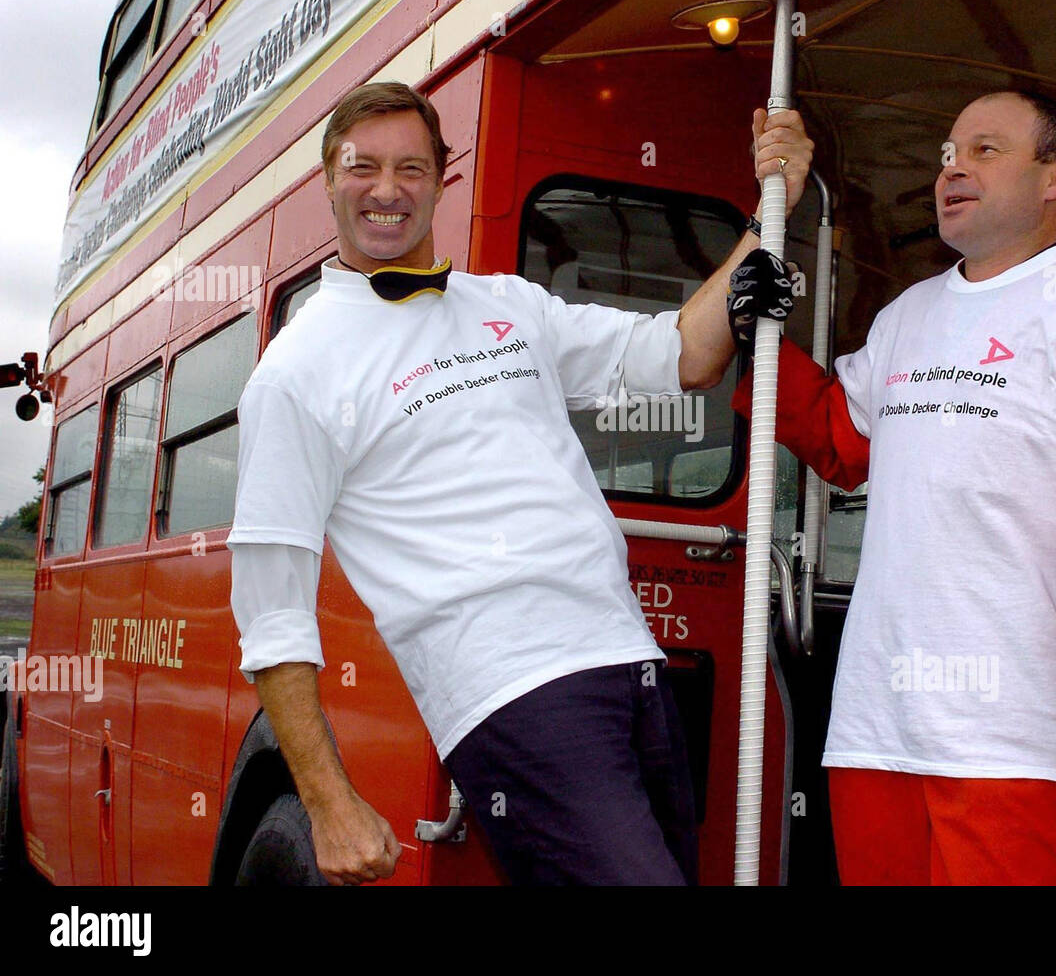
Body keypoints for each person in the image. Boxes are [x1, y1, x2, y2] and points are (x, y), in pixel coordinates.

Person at [226, 81, 813, 886]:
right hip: (511, 690)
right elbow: (272, 614)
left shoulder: (508, 303)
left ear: (443, 178)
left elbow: (677, 354)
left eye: (410, 167)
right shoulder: (295, 371)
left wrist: (765, 216)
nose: (387, 190)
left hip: (629, 660)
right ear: (329, 179)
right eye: (363, 168)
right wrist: (328, 802)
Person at [721, 90, 1056, 884]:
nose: (952, 169)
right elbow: (838, 439)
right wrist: (759, 340)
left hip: (1016, 734)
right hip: (878, 725)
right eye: (946, 155)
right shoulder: (910, 313)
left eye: (986, 150)